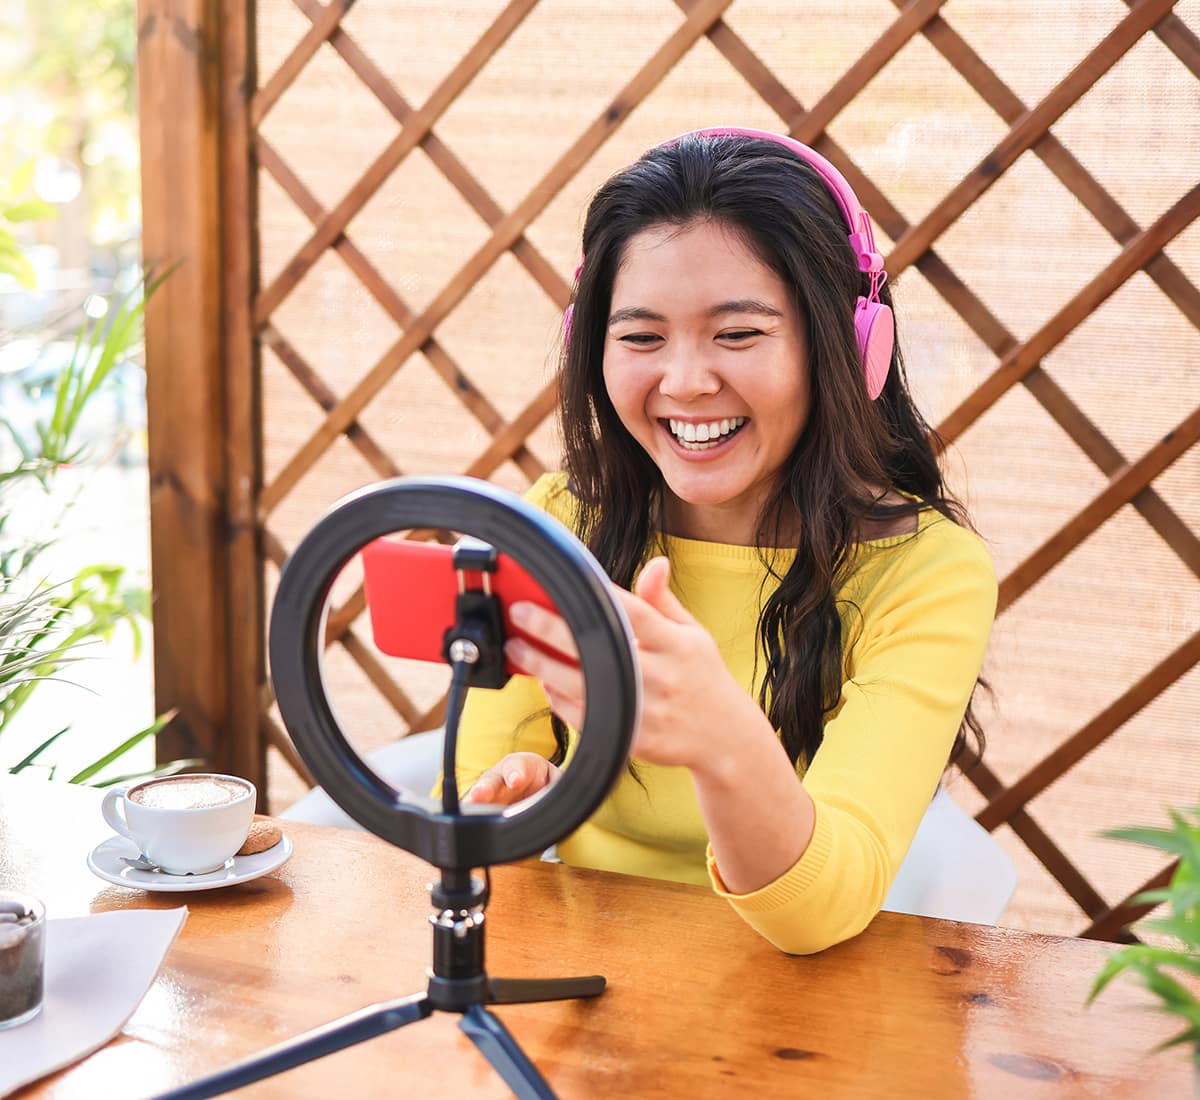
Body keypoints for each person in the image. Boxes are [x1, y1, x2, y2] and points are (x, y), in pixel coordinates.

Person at [452, 127, 997, 955]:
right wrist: (526, 804)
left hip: (804, 1015)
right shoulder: (560, 520)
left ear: (850, 348)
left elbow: (821, 911)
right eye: (640, 337)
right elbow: (466, 800)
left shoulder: (925, 574)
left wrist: (718, 736)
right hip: (588, 984)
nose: (685, 382)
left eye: (737, 334)